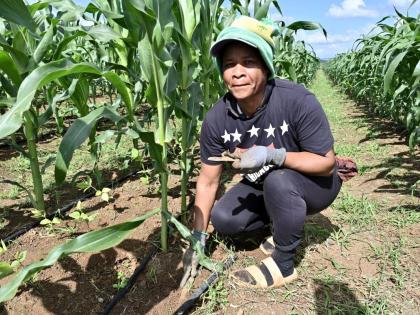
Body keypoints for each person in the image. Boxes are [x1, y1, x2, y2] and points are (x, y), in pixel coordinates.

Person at [180, 16, 342, 289]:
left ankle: (283, 264)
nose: (238, 72)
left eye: (249, 62)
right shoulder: (217, 119)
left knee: (279, 180)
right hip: (263, 183)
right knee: (225, 220)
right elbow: (208, 180)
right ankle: (282, 222)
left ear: (266, 67)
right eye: (229, 64)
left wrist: (273, 155)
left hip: (314, 182)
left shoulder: (297, 100)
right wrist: (198, 236)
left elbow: (326, 163)